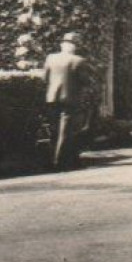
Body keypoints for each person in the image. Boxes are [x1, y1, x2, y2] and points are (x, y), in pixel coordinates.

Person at [41, 32, 90, 169]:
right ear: (74, 47)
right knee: (66, 132)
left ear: (62, 45)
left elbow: (44, 78)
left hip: (51, 98)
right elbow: (85, 81)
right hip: (70, 100)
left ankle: (64, 160)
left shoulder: (50, 58)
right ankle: (59, 162)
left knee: (54, 130)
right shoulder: (78, 61)